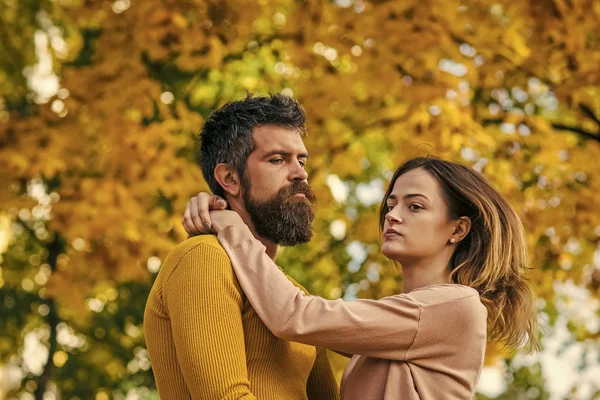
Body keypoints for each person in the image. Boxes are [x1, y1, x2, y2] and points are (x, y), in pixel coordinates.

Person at [183, 157, 539, 400]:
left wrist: (231, 225)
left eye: (415, 206)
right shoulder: (402, 324)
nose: (393, 216)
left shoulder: (455, 306)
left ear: (458, 229)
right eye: (391, 204)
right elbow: (292, 307)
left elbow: (295, 316)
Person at [144, 94, 339, 399]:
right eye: (278, 159)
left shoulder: (294, 296)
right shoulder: (203, 259)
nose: (300, 173)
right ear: (230, 178)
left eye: (301, 160)